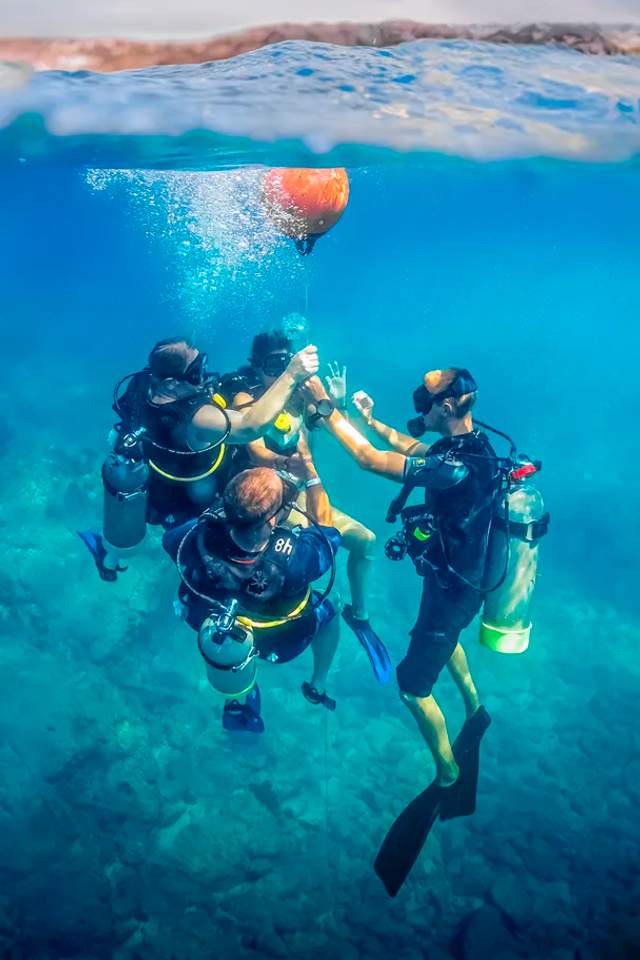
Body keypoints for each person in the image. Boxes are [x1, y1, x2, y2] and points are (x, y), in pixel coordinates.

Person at [303, 367, 498, 815]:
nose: (418, 407)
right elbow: (411, 450)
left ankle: (446, 775)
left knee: (412, 687)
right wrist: (368, 421)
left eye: (423, 401)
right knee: (444, 640)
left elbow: (370, 461)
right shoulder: (472, 448)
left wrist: (326, 409)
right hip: (465, 581)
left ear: (446, 407)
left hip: (454, 591)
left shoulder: (452, 466)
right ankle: (475, 708)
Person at [220, 330, 391, 683]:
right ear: (256, 366)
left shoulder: (299, 390)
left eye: (285, 361)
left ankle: (359, 616)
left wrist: (336, 402)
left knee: (366, 541)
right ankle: (243, 667)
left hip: (296, 494)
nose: (280, 370)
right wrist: (291, 466)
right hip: (260, 501)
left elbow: (327, 425)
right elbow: (255, 449)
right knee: (269, 588)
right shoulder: (245, 393)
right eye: (272, 364)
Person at [79, 335, 320, 581]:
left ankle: (109, 559)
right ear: (172, 384)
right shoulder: (196, 418)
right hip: (195, 500)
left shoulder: (143, 384)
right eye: (196, 371)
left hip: (159, 489)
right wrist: (291, 374)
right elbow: (250, 426)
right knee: (224, 552)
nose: (203, 375)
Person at [162, 442, 340, 732]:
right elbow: (328, 533)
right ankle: (317, 683)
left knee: (229, 644)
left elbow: (171, 543)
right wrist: (311, 476)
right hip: (278, 641)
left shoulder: (201, 532)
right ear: (272, 520)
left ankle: (239, 695)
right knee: (332, 611)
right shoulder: (294, 560)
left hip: (206, 620)